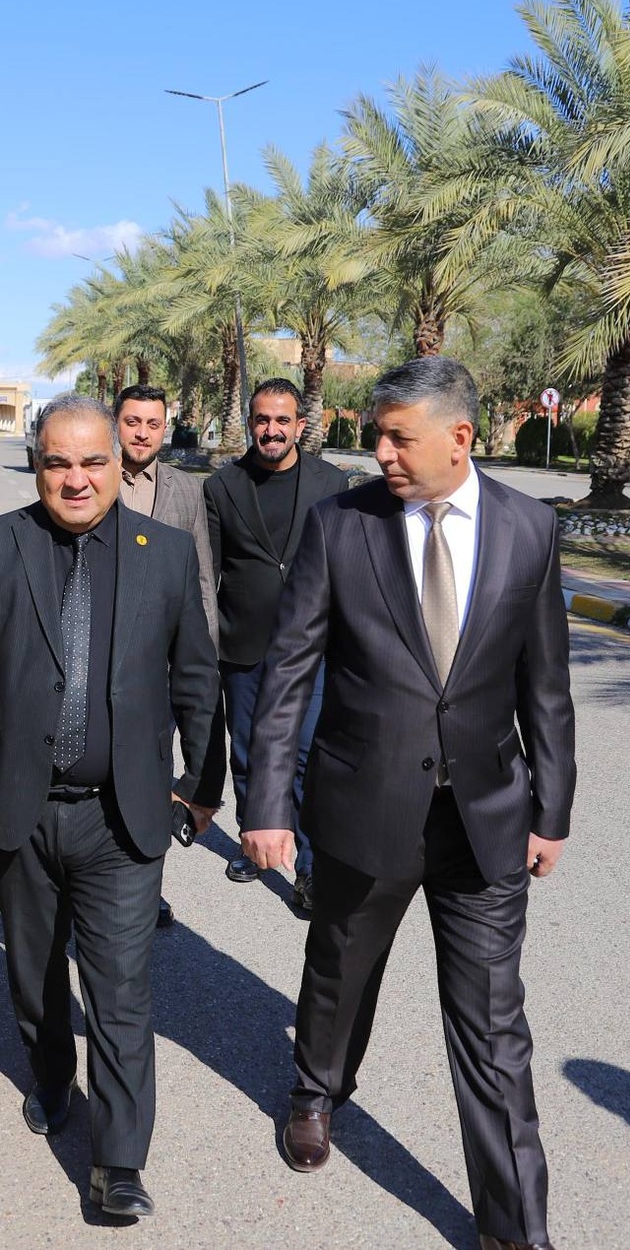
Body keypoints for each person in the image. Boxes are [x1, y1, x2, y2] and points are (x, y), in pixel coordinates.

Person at [242, 356, 574, 1250]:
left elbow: (546, 685)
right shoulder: (339, 525)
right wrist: (267, 801)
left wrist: (552, 811)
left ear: (460, 436)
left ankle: (515, 1229)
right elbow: (288, 673)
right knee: (340, 969)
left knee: (495, 1027)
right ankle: (317, 1089)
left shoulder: (530, 528)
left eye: (397, 437)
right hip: (364, 806)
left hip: (485, 819)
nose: (379, 452)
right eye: (375, 436)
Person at [0, 394, 217, 1221]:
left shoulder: (165, 554)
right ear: (37, 466)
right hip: (15, 803)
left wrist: (202, 785)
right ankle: (51, 1073)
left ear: (119, 465)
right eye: (59, 463)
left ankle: (118, 1163)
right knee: (34, 969)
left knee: (120, 986)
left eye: (94, 462)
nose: (77, 478)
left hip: (123, 815)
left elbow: (198, 676)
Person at [203, 377, 350, 907]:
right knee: (247, 753)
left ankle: (309, 867)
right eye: (262, 419)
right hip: (242, 646)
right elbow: (209, 571)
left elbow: (346, 566)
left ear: (300, 426)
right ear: (250, 423)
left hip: (312, 650)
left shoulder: (332, 483)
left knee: (307, 755)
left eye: (282, 420)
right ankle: (254, 841)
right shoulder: (222, 487)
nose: (271, 429)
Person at [113, 382, 218, 931]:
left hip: (166, 659)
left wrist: (205, 653)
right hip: (105, 655)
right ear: (117, 423)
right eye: (133, 422)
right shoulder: (95, 476)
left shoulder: (186, 490)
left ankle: (144, 889)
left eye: (153, 424)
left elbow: (201, 575)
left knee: (154, 775)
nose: (142, 433)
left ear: (165, 428)